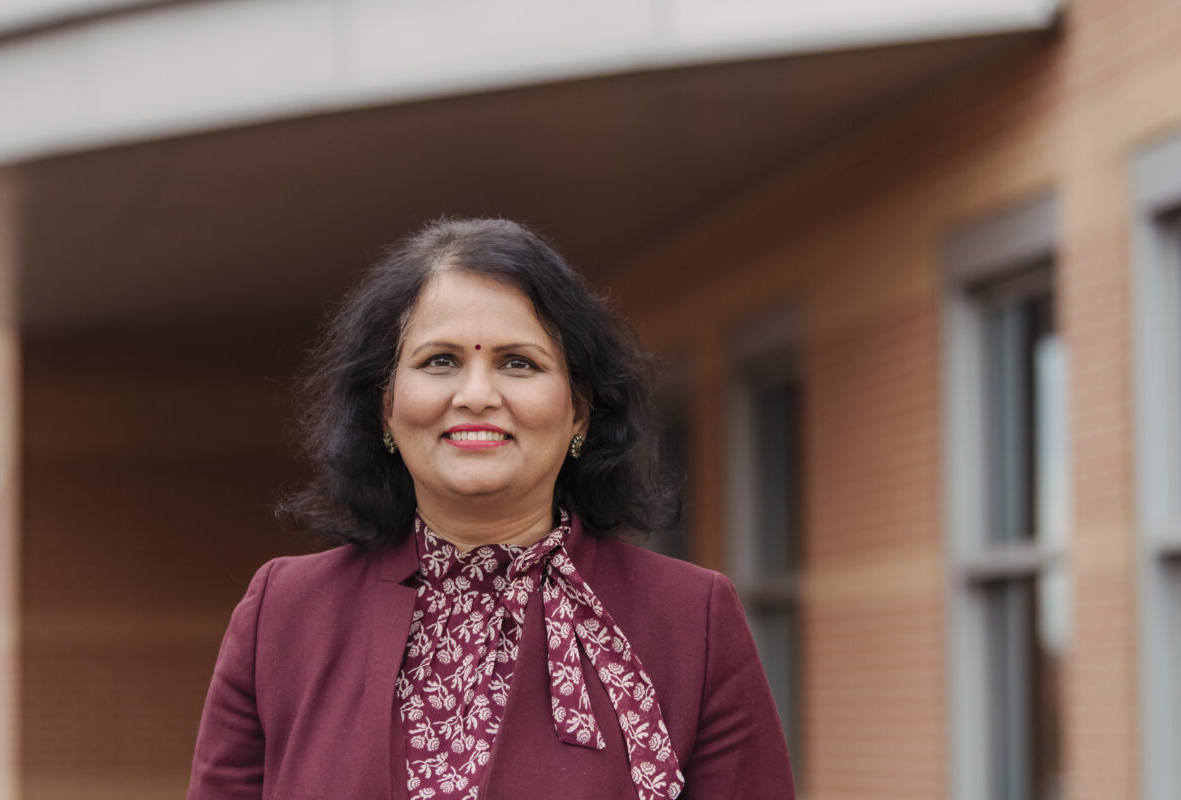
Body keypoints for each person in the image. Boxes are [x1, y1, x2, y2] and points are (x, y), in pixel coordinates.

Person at [187, 218, 795, 800]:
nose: (477, 395)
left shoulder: (693, 622)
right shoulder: (284, 615)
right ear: (385, 409)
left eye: (518, 363)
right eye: (440, 361)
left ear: (580, 411)